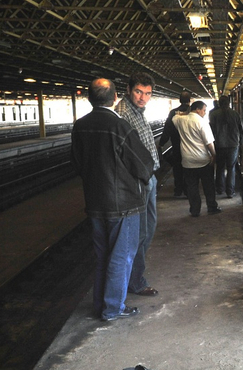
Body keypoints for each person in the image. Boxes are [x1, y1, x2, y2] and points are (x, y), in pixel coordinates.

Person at [71, 78, 153, 321]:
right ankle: (113, 308)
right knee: (122, 256)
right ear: (116, 96)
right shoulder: (119, 126)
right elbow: (143, 165)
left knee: (103, 256)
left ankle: (101, 305)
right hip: (124, 204)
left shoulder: (80, 125)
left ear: (89, 98)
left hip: (95, 203)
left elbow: (76, 163)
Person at [115, 72, 159, 297]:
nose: (143, 97)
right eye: (138, 92)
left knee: (149, 228)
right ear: (129, 89)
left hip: (149, 178)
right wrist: (143, 178)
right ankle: (136, 281)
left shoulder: (138, 112)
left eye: (147, 93)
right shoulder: (123, 113)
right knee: (141, 232)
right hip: (140, 181)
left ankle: (135, 274)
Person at [173, 101, 222, 217]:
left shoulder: (180, 120)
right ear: (198, 109)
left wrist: (185, 113)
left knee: (192, 187)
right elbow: (209, 143)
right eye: (204, 110)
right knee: (208, 186)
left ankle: (195, 210)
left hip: (187, 161)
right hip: (203, 160)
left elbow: (175, 115)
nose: (205, 113)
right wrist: (214, 156)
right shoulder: (202, 122)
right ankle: (212, 207)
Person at [209, 95, 243, 198]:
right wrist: (239, 143)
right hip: (233, 145)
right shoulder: (235, 114)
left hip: (219, 145)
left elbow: (211, 131)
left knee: (220, 167)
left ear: (219, 103)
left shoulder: (214, 114)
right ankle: (230, 191)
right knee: (231, 168)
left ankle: (220, 189)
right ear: (229, 102)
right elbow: (241, 130)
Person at [159, 92, 192, 197]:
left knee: (177, 168)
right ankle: (187, 190)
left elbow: (167, 129)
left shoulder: (173, 112)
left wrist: (161, 143)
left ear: (179, 100)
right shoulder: (192, 112)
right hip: (190, 146)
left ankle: (178, 190)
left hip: (177, 145)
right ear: (189, 100)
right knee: (188, 169)